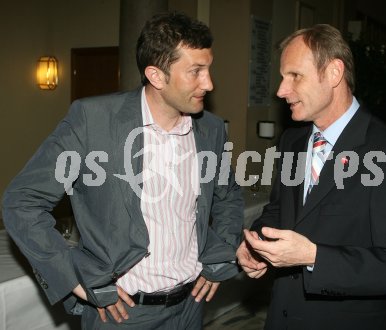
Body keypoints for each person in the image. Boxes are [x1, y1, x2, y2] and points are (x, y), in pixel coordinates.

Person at [2, 11, 243, 329]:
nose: (209, 83)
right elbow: (23, 201)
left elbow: (228, 195)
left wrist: (220, 256)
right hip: (122, 315)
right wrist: (73, 278)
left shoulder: (211, 129)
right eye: (196, 72)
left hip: (190, 307)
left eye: (208, 69)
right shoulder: (93, 120)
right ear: (156, 76)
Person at [236, 24, 386, 330]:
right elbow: (278, 211)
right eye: (283, 77)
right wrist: (257, 244)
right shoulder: (292, 141)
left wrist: (313, 257)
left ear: (334, 73)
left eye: (294, 76)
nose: (281, 91)